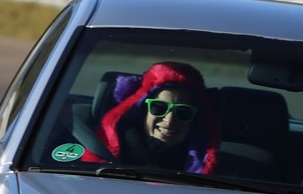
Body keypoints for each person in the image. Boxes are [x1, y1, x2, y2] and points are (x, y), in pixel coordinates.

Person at [83, 61, 221, 174]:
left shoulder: (220, 173)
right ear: (142, 111)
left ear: (195, 120)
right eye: (159, 108)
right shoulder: (102, 154)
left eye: (183, 112)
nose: (169, 119)